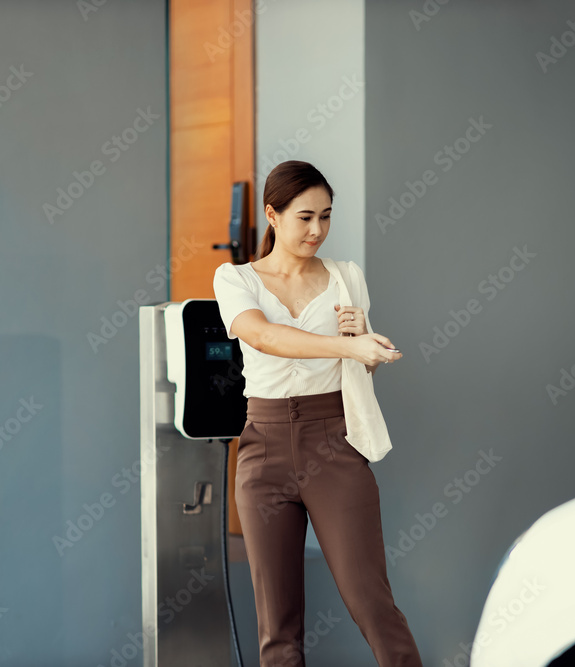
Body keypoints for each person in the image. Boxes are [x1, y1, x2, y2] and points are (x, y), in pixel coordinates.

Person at [212, 160, 423, 667]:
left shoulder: (346, 277)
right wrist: (345, 347)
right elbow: (261, 335)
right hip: (262, 448)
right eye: (305, 217)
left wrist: (359, 342)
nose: (317, 230)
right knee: (277, 629)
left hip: (333, 441)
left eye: (326, 217)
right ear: (272, 215)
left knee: (373, 604)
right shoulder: (236, 278)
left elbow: (359, 373)